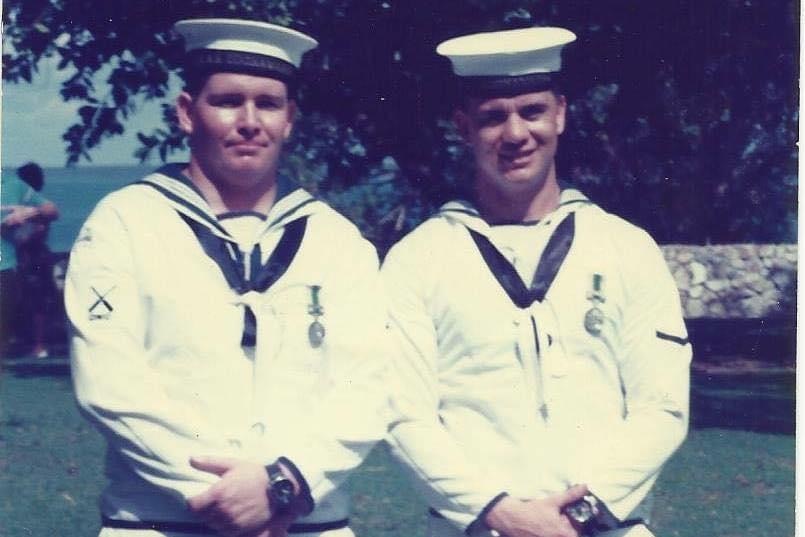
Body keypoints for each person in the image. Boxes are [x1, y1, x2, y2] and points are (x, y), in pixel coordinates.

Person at [66, 18, 388, 537]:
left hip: (305, 522)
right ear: (187, 113)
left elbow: (370, 386)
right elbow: (109, 385)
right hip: (162, 522)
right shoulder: (124, 223)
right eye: (227, 101)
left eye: (268, 103)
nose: (249, 121)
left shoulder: (337, 241)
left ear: (290, 119)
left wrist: (284, 484)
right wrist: (226, 499)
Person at [383, 27, 691, 537]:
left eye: (532, 111)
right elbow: (404, 417)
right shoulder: (417, 259)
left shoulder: (626, 248)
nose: (515, 133)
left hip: (603, 526)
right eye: (492, 117)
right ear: (463, 126)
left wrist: (580, 514)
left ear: (561, 113)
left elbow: (662, 407)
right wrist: (503, 512)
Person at [1, 162, 59, 357]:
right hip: (22, 256)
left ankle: (38, 344)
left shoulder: (27, 203)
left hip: (31, 257)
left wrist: (20, 227)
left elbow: (44, 224)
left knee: (37, 300)